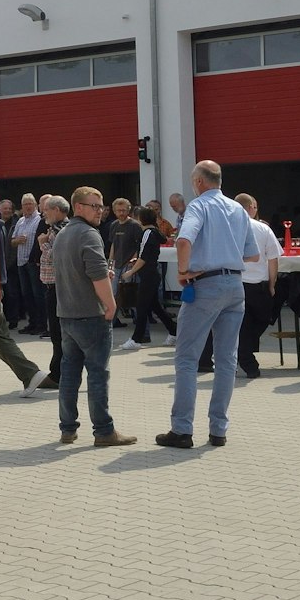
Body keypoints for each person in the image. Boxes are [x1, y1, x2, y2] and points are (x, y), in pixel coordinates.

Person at [156, 161, 262, 449]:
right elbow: (252, 255)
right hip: (234, 285)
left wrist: (182, 271)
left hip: (206, 285)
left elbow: (183, 240)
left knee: (187, 359)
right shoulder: (238, 208)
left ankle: (182, 429)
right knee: (226, 360)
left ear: (200, 182)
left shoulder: (199, 206)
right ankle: (218, 429)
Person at [50, 187, 136, 447]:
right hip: (90, 315)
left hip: (67, 315)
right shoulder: (88, 234)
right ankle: (104, 431)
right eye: (94, 206)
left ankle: (67, 428)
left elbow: (78, 271)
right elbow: (98, 274)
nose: (100, 211)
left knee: (69, 373)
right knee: (97, 374)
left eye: (102, 206)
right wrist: (110, 305)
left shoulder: (63, 233)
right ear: (78, 207)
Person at [235, 193, 283, 379]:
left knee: (245, 326)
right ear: (251, 207)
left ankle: (243, 352)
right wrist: (272, 284)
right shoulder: (263, 229)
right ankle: (247, 360)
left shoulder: (228, 228)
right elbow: (273, 259)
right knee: (261, 320)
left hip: (236, 284)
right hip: (258, 285)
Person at [121, 206, 174, 347]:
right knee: (154, 306)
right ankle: (174, 331)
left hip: (148, 275)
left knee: (142, 306)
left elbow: (143, 257)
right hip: (152, 274)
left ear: (141, 219)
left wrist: (130, 272)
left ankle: (136, 339)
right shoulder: (155, 232)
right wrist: (136, 261)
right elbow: (147, 255)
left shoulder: (147, 233)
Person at [36, 195, 69, 384]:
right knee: (57, 333)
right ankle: (58, 372)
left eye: (47, 210)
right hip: (53, 287)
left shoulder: (60, 230)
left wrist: (43, 244)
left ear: (56, 210)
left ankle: (57, 375)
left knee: (58, 334)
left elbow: (57, 256)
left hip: (58, 288)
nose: (43, 213)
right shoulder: (56, 229)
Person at [101, 197, 143, 329]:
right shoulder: (113, 225)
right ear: (114, 211)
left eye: (124, 210)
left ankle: (138, 320)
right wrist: (110, 264)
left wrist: (133, 263)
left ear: (128, 210)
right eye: (118, 210)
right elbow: (113, 245)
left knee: (130, 292)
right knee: (113, 293)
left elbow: (139, 246)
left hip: (129, 264)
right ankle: (112, 320)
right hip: (116, 264)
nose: (121, 213)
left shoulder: (135, 226)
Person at [13, 194, 45, 336]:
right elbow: (12, 241)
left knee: (38, 294)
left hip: (33, 262)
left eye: (30, 203)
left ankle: (41, 324)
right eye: (25, 204)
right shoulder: (20, 221)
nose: (28, 206)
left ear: (36, 204)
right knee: (27, 295)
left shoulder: (40, 220)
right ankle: (32, 323)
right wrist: (17, 240)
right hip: (21, 262)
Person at [0, 199, 21, 326]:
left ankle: (13, 320)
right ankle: (0, 319)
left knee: (12, 294)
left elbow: (13, 248)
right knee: (0, 295)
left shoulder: (16, 223)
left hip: (10, 265)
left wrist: (8, 263)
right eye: (5, 208)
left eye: (9, 209)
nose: (8, 211)